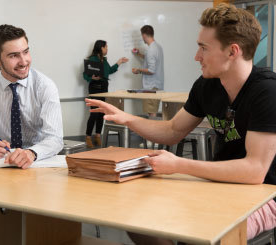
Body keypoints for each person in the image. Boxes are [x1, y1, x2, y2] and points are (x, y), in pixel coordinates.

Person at [86, 4, 276, 244]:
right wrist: (128, 119)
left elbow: (254, 171)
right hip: (218, 185)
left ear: (232, 51)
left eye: (203, 48)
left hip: (265, 195)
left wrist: (178, 164)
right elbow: (173, 130)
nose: (197, 57)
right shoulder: (206, 85)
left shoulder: (267, 91)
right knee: (136, 219)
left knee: (204, 230)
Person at [0, 24, 63, 169]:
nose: (24, 61)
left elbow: (55, 139)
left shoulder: (45, 86)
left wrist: (31, 153)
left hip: (38, 160)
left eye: (26, 52)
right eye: (13, 56)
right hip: (2, 161)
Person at [83, 40, 128, 148]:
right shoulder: (92, 59)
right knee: (94, 113)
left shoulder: (104, 60)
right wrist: (91, 77)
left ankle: (98, 136)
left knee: (102, 113)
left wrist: (119, 62)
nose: (107, 49)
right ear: (101, 48)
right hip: (94, 87)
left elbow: (109, 71)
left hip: (104, 87)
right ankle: (88, 137)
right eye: (106, 47)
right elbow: (85, 75)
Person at [132, 25, 164, 118]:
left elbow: (151, 70)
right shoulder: (158, 47)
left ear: (144, 35)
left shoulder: (151, 50)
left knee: (151, 113)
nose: (142, 38)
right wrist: (138, 54)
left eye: (142, 36)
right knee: (152, 111)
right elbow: (149, 60)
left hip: (151, 87)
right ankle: (153, 131)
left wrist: (138, 70)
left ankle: (152, 132)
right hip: (156, 85)